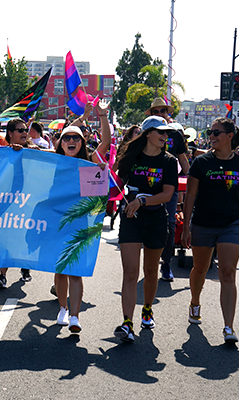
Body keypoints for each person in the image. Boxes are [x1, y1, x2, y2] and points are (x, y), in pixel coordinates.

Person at [113, 116, 177, 343]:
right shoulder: (132, 157)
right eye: (160, 131)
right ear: (148, 133)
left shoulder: (169, 161)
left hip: (156, 219)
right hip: (131, 219)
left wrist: (141, 201)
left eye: (166, 133)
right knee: (130, 272)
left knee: (150, 272)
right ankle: (127, 322)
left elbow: (167, 194)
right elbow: (115, 183)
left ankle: (147, 308)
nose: (164, 136)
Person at [54, 100, 111, 333]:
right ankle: (62, 308)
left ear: (82, 143)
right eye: (66, 138)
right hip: (55, 222)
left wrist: (102, 116)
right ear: (60, 143)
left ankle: (75, 316)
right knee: (59, 269)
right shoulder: (52, 161)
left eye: (76, 138)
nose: (71, 141)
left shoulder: (90, 163)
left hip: (80, 223)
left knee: (75, 271)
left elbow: (106, 142)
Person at [182, 117, 239, 343]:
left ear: (229, 136)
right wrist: (186, 227)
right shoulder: (201, 163)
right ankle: (195, 302)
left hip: (232, 224)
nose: (212, 136)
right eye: (210, 132)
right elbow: (191, 196)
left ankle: (229, 327)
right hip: (204, 223)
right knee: (200, 269)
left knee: (227, 272)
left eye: (216, 133)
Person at [0, 118, 38, 289]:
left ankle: (25, 266)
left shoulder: (35, 151)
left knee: (25, 237)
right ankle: (2, 275)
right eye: (20, 130)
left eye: (25, 130)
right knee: (6, 238)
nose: (24, 133)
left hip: (29, 202)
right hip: (9, 204)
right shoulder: (2, 153)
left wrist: (35, 151)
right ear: (10, 133)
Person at [158, 122, 190, 281]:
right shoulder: (147, 131)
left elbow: (183, 159)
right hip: (149, 185)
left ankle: (166, 263)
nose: (161, 112)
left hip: (171, 184)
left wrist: (192, 180)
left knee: (170, 222)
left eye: (164, 110)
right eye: (157, 111)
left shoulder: (176, 135)